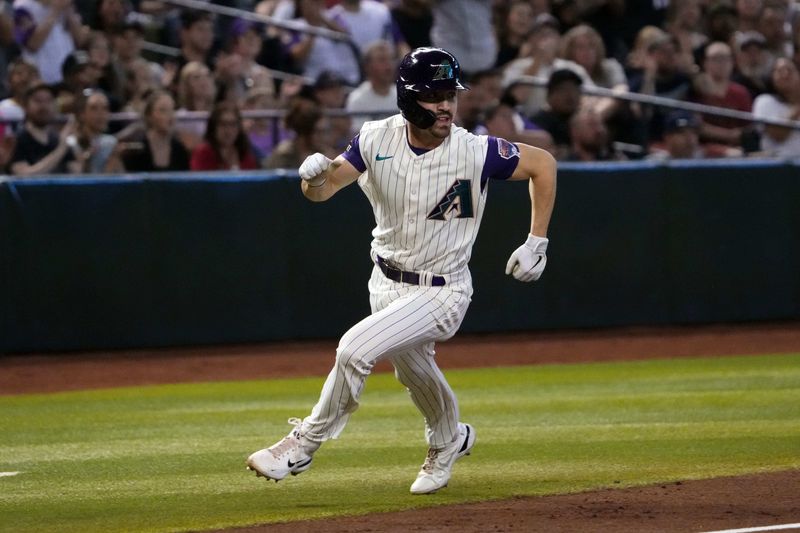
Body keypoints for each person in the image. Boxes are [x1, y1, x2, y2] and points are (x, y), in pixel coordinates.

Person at [246, 47, 556, 494]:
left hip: (443, 291)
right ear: (409, 99)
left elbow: (542, 165)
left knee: (355, 349)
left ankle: (301, 445)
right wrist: (312, 179)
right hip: (386, 281)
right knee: (415, 374)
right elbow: (324, 189)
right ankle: (450, 438)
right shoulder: (374, 139)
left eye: (450, 94)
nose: (446, 105)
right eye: (435, 95)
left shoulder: (476, 151)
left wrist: (537, 241)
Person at [9, 82, 79, 175]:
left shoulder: (57, 139)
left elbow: (76, 171)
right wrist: (61, 148)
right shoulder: (17, 139)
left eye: (49, 101)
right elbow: (24, 176)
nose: (44, 106)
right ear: (25, 106)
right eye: (38, 101)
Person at [122, 90, 190, 172]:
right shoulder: (137, 150)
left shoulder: (180, 150)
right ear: (149, 116)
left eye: (172, 109)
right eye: (163, 110)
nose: (170, 115)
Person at [752, 57, 800, 157]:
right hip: (778, 167)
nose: (785, 74)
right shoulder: (764, 102)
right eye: (779, 71)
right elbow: (777, 134)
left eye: (790, 70)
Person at [190, 101, 258, 171]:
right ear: (214, 127)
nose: (228, 130)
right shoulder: (203, 153)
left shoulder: (245, 153)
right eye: (223, 124)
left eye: (233, 124)